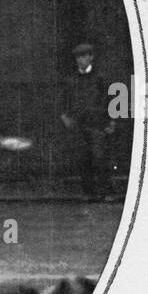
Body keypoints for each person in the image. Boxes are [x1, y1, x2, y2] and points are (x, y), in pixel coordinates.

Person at [60, 42, 115, 200]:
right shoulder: (71, 80)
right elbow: (65, 100)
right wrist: (65, 116)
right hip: (79, 124)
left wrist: (111, 121)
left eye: (84, 56)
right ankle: (88, 193)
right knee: (83, 158)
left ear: (91, 57)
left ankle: (106, 192)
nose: (80, 60)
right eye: (78, 57)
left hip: (97, 123)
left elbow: (110, 99)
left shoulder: (101, 78)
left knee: (100, 158)